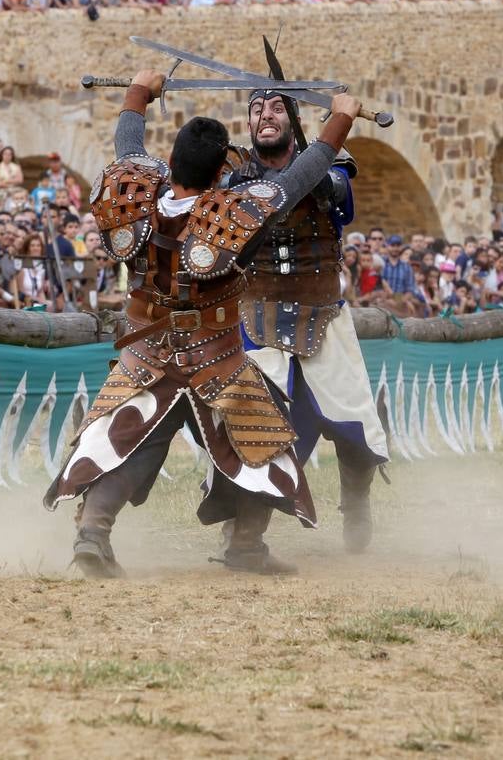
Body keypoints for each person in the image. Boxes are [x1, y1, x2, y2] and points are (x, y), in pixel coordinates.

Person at [43, 69, 362, 578]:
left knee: (130, 438)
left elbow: (128, 143)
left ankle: (93, 533)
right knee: (263, 439)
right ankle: (246, 545)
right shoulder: (234, 212)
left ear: (168, 164)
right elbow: (298, 179)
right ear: (221, 175)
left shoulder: (138, 193)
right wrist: (340, 120)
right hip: (214, 354)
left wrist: (139, 93)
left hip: (145, 350)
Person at [225, 86, 390, 552]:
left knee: (355, 421)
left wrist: (323, 143)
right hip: (256, 318)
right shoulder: (236, 179)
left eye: (277, 107)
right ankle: (245, 530)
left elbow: (328, 193)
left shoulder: (334, 167)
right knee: (251, 423)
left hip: (322, 316)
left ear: (294, 122)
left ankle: (355, 503)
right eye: (257, 110)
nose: (265, 116)